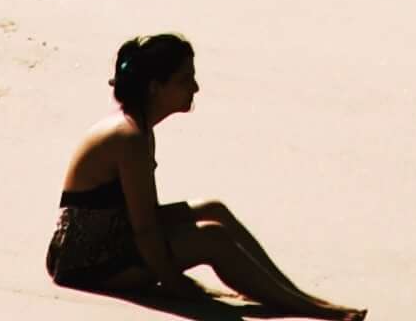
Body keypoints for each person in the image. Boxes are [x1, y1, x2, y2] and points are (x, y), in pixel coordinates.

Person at [48, 33, 359, 315]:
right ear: (155, 87)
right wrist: (173, 283)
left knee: (213, 209)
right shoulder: (128, 137)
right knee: (213, 237)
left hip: (110, 240)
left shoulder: (137, 126)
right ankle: (309, 308)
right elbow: (145, 227)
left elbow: (141, 220)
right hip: (86, 263)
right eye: (185, 80)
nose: (195, 88)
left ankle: (295, 296)